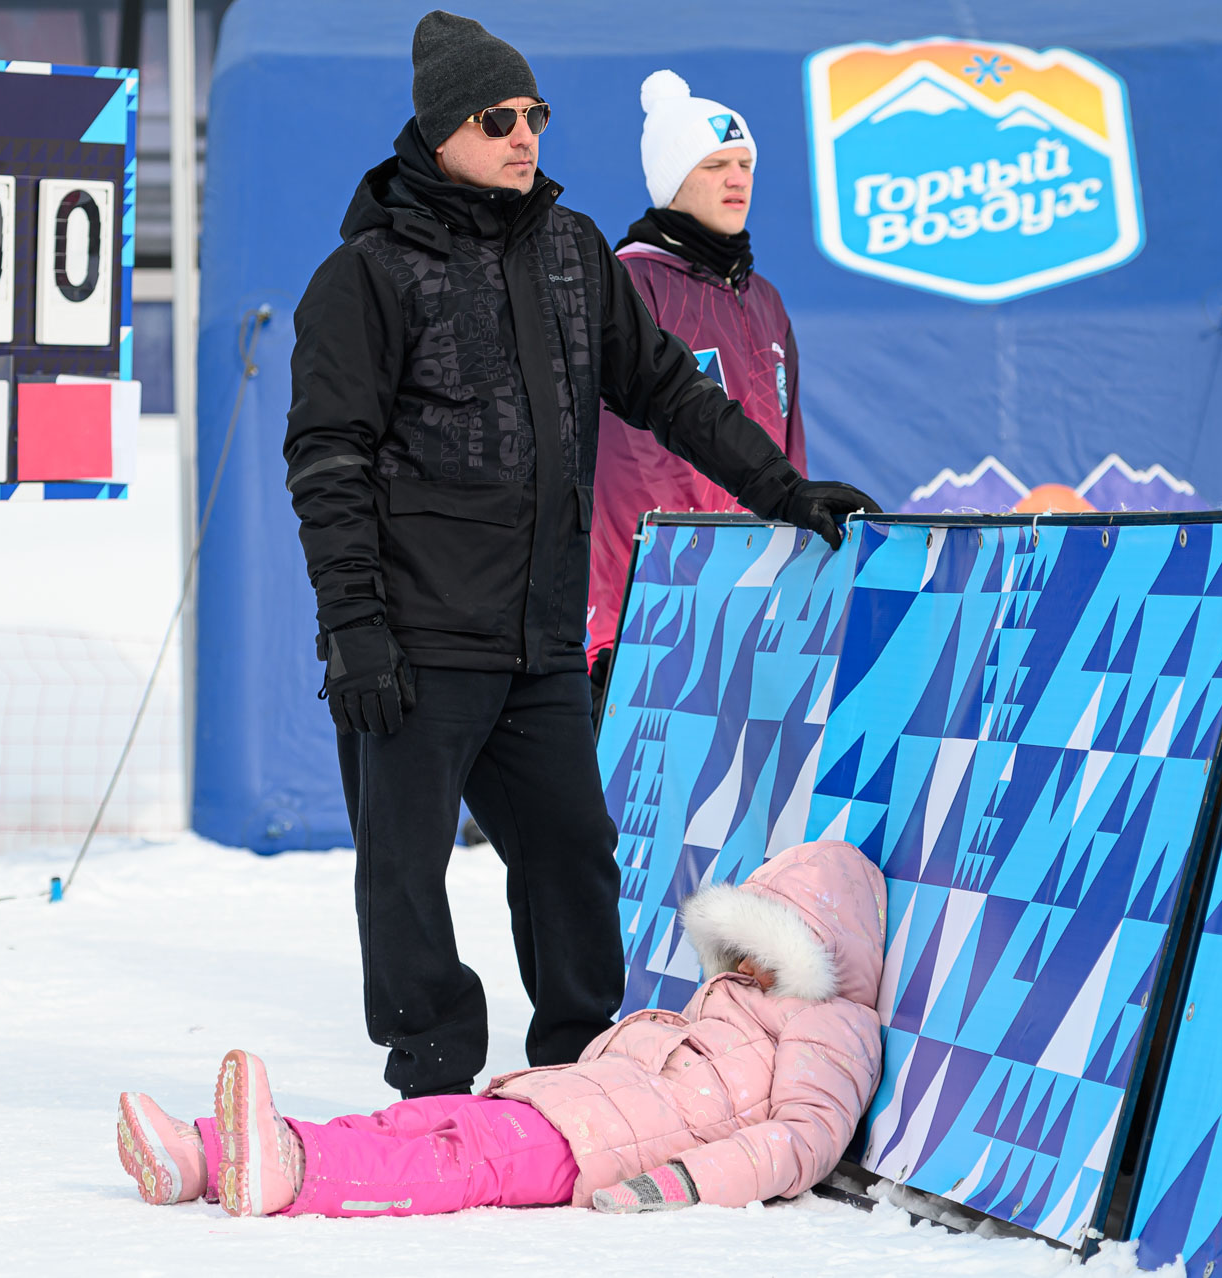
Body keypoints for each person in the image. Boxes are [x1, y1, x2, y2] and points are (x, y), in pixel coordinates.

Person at [282, 10, 879, 1101]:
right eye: (496, 117)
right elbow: (329, 464)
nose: (523, 136)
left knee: (573, 857)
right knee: (404, 874)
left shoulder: (570, 253)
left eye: (535, 115)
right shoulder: (365, 275)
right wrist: (355, 631)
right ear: (440, 131)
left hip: (541, 637)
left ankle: (579, 1061)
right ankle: (432, 1075)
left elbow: (669, 392)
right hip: (415, 641)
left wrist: (783, 490)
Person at [115, 840, 888, 1217]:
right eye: (744, 942)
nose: (748, 963)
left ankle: (297, 1170)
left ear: (822, 952)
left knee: (451, 1163)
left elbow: (803, 1139)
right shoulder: (724, 999)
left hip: (594, 1148)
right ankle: (206, 1155)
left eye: (772, 945)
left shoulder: (832, 1024)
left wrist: (680, 1185)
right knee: (413, 1119)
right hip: (558, 1104)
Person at [588, 72, 810, 700]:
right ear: (671, 177)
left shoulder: (765, 299)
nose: (738, 178)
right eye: (715, 165)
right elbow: (627, 460)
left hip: (756, 597)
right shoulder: (627, 284)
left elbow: (786, 445)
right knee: (629, 793)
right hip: (648, 602)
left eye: (744, 163)